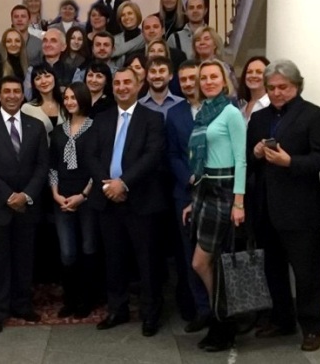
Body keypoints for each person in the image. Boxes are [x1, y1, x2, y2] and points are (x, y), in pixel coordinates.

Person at [247, 59, 320, 352]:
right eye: (271, 88)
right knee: (273, 269)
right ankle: (282, 320)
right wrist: (256, 153)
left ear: (297, 85)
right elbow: (248, 161)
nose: (277, 93)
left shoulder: (315, 115)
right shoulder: (259, 118)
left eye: (283, 87)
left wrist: (290, 162)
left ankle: (312, 327)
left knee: (307, 273)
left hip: (301, 209)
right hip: (266, 207)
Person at [86, 67, 167, 337]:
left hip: (141, 200)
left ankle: (150, 313)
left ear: (138, 85)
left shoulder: (152, 118)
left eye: (127, 83)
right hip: (108, 201)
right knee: (114, 258)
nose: (121, 87)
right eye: (117, 83)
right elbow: (91, 156)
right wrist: (108, 185)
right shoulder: (101, 119)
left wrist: (124, 183)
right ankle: (117, 309)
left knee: (147, 261)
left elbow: (152, 155)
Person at [0, 75, 49, 333]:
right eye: (7, 91)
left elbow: (42, 166)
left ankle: (22, 304)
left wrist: (25, 195)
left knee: (25, 259)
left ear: (23, 95)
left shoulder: (36, 126)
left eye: (17, 91)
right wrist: (8, 196)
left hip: (27, 205)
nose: (12, 96)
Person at [181, 59, 246, 352]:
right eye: (204, 78)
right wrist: (193, 197)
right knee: (206, 262)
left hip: (224, 191)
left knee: (205, 261)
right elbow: (201, 157)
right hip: (204, 190)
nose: (208, 82)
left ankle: (224, 322)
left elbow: (241, 160)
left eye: (213, 77)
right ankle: (222, 317)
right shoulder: (204, 112)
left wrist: (239, 202)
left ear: (224, 80)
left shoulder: (231, 112)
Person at [165, 60, 210, 332]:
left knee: (213, 254)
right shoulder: (174, 113)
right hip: (185, 192)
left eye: (193, 78)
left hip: (216, 192)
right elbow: (172, 154)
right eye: (183, 79)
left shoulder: (219, 108)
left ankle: (221, 309)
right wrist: (189, 177)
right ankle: (202, 309)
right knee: (188, 255)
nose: (188, 83)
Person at [48, 82, 96, 318]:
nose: (69, 102)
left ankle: (87, 300)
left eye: (73, 97)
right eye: (66, 98)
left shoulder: (95, 128)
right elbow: (53, 166)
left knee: (88, 247)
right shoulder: (58, 132)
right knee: (67, 251)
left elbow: (99, 168)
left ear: (83, 99)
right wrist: (56, 194)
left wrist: (84, 195)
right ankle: (70, 300)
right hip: (62, 197)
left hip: (88, 196)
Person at [23, 28, 76, 100]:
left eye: (53, 41)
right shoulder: (32, 69)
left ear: (63, 47)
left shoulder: (73, 71)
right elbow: (28, 96)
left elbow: (76, 97)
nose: (47, 44)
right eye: (45, 41)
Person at [22, 63, 66, 138]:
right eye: (38, 78)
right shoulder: (27, 108)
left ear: (54, 78)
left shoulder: (65, 104)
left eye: (47, 76)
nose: (43, 81)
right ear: (34, 84)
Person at [191, 26, 238, 95]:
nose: (202, 42)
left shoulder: (226, 67)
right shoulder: (190, 68)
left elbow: (233, 93)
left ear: (215, 44)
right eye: (198, 40)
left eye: (206, 39)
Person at [111, 1, 145, 68]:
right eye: (123, 15)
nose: (126, 17)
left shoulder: (145, 38)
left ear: (137, 15)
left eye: (130, 13)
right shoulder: (114, 40)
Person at [238, 56, 271, 122]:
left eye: (259, 72)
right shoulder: (242, 106)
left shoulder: (271, 104)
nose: (253, 75)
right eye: (249, 72)